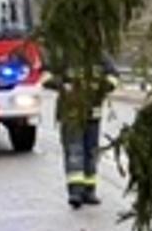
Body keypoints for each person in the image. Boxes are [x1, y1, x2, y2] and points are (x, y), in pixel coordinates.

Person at [49, 53, 119, 209]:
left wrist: (102, 88)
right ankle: (75, 192)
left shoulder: (100, 56)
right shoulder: (64, 54)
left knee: (91, 152)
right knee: (75, 151)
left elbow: (114, 76)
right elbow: (45, 76)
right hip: (71, 113)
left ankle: (89, 191)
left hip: (93, 114)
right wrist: (63, 86)